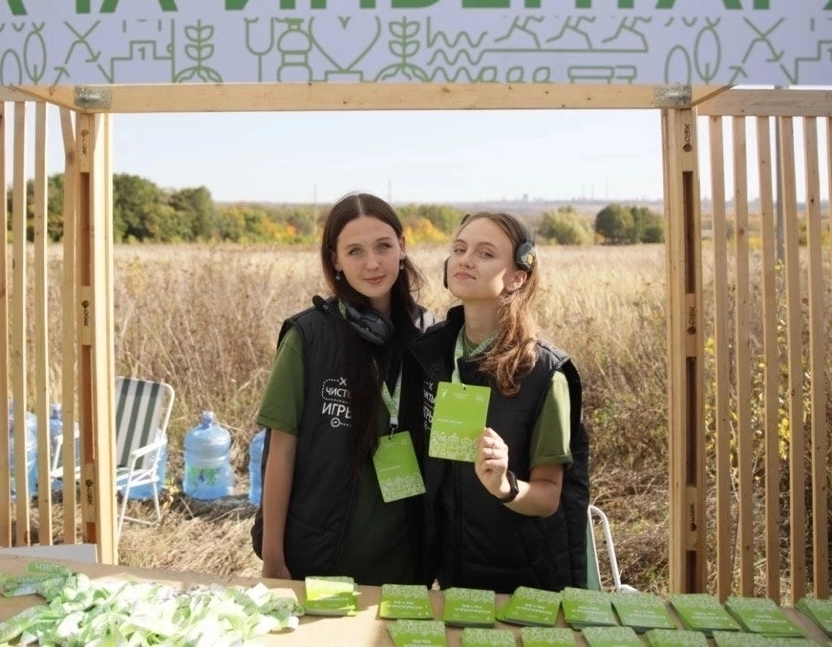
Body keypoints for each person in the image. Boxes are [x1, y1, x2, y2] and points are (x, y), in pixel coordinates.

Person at [252, 193, 433, 585]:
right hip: (320, 559)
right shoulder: (308, 337)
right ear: (335, 259)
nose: (372, 263)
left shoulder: (428, 336)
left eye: (383, 246)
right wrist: (272, 558)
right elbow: (280, 451)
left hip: (405, 563)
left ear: (402, 247)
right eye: (354, 251)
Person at [407, 212, 590, 593]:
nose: (465, 259)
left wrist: (505, 486)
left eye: (485, 253)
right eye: (459, 248)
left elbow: (548, 497)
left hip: (524, 581)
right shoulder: (431, 355)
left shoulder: (544, 375)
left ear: (517, 276)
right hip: (453, 572)